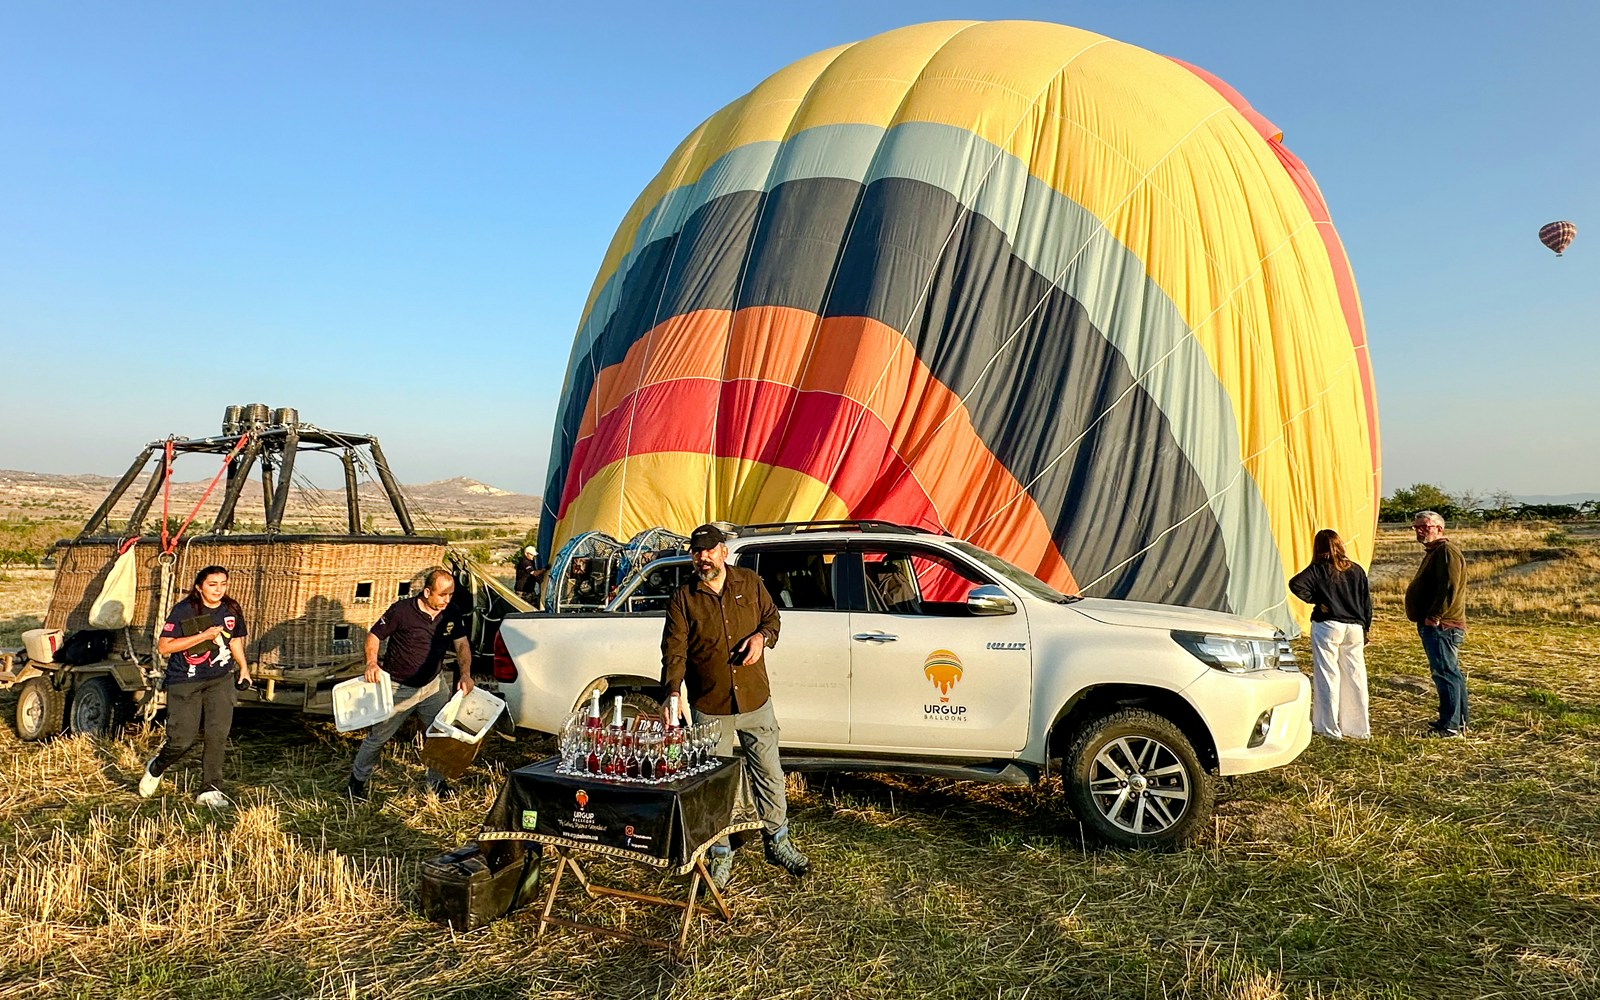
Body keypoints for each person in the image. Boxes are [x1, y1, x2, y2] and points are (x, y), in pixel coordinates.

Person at [661, 523, 808, 888]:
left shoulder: (749, 581)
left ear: (724, 552)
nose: (703, 557)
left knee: (770, 774)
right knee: (715, 786)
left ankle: (778, 842)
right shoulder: (684, 598)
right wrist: (672, 693)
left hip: (755, 698)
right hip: (710, 704)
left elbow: (772, 618)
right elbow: (674, 651)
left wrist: (762, 638)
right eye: (697, 552)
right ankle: (720, 854)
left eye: (710, 550)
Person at [345, 567, 474, 800]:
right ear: (427, 592)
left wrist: (465, 674)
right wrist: (371, 663)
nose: (447, 600)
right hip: (398, 687)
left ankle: (437, 783)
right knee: (378, 737)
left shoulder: (451, 612)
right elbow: (374, 635)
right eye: (442, 595)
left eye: (451, 594)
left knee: (440, 735)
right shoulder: (401, 611)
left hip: (433, 685)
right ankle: (357, 781)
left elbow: (462, 644)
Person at [140, 565, 253, 808]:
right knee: (182, 739)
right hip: (185, 680)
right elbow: (164, 647)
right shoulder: (184, 611)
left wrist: (243, 667)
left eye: (223, 583)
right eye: (213, 584)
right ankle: (156, 766)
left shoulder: (231, 609)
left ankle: (210, 790)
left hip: (219, 678)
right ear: (199, 587)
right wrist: (203, 636)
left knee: (217, 734)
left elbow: (234, 639)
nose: (219, 589)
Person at [1288, 529, 1372, 740]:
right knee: (1355, 676)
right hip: (1354, 628)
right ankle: (1358, 728)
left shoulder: (1318, 569)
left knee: (1328, 675)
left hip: (1328, 625)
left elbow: (1295, 584)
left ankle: (1329, 727)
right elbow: (1366, 602)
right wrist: (1366, 628)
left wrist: (1318, 600)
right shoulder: (1356, 570)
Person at [1405, 510, 1469, 737]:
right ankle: (1455, 721)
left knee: (1445, 673)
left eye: (1424, 526)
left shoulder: (1446, 552)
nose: (1419, 531)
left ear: (1439, 528)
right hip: (1440, 624)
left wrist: (1435, 616)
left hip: (1443, 626)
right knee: (1449, 672)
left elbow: (1449, 588)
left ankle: (1451, 726)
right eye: (1416, 527)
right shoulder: (1435, 552)